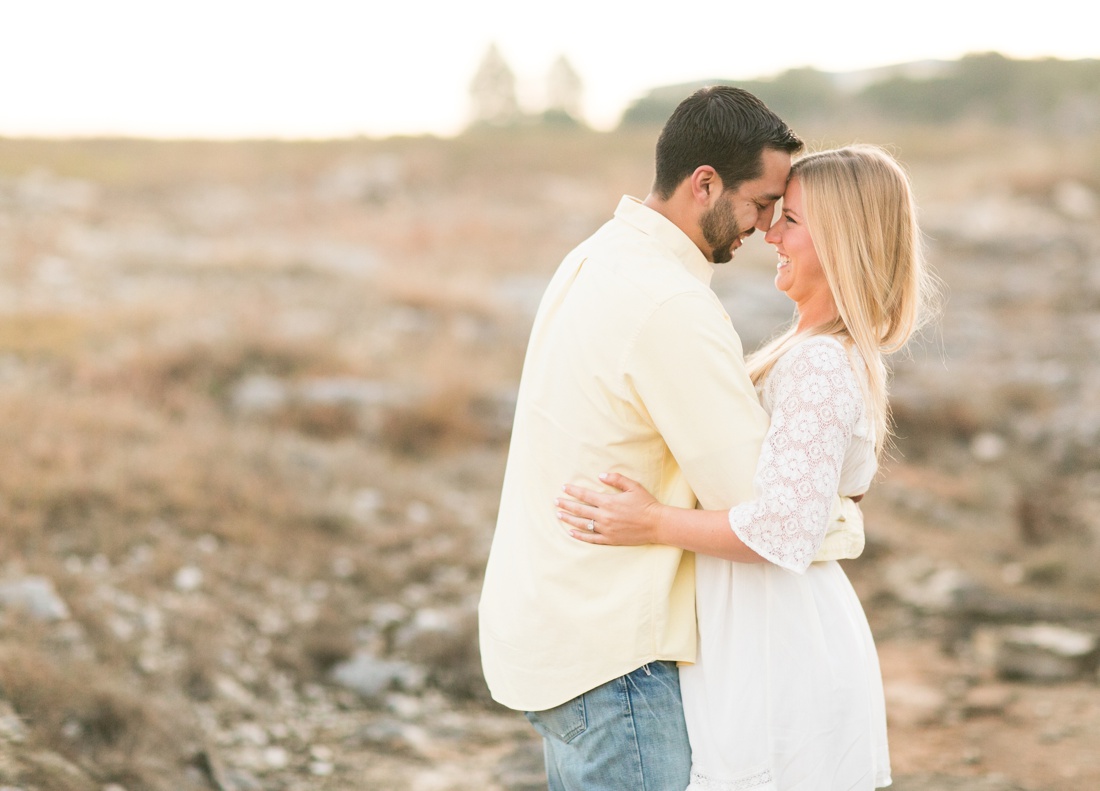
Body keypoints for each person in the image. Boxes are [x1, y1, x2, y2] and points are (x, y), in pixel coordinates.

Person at [478, 87, 864, 791]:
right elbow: (766, 510)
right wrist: (839, 516)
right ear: (705, 183)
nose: (766, 225)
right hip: (615, 658)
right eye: (760, 203)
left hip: (555, 628)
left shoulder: (596, 256)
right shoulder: (670, 303)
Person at [556, 144, 937, 790]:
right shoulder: (809, 348)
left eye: (790, 220)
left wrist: (651, 521)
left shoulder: (819, 363)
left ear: (841, 240)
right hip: (762, 630)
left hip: (780, 643)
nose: (769, 233)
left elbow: (782, 529)